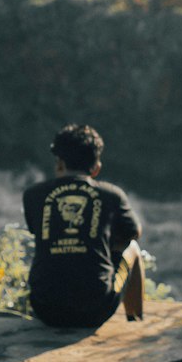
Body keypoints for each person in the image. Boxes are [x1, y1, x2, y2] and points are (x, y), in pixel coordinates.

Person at [22, 123, 144, 330]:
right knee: (132, 248)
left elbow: (39, 230)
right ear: (96, 168)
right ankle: (135, 322)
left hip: (45, 309)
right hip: (95, 309)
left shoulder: (33, 194)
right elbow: (133, 233)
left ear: (59, 164)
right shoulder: (111, 194)